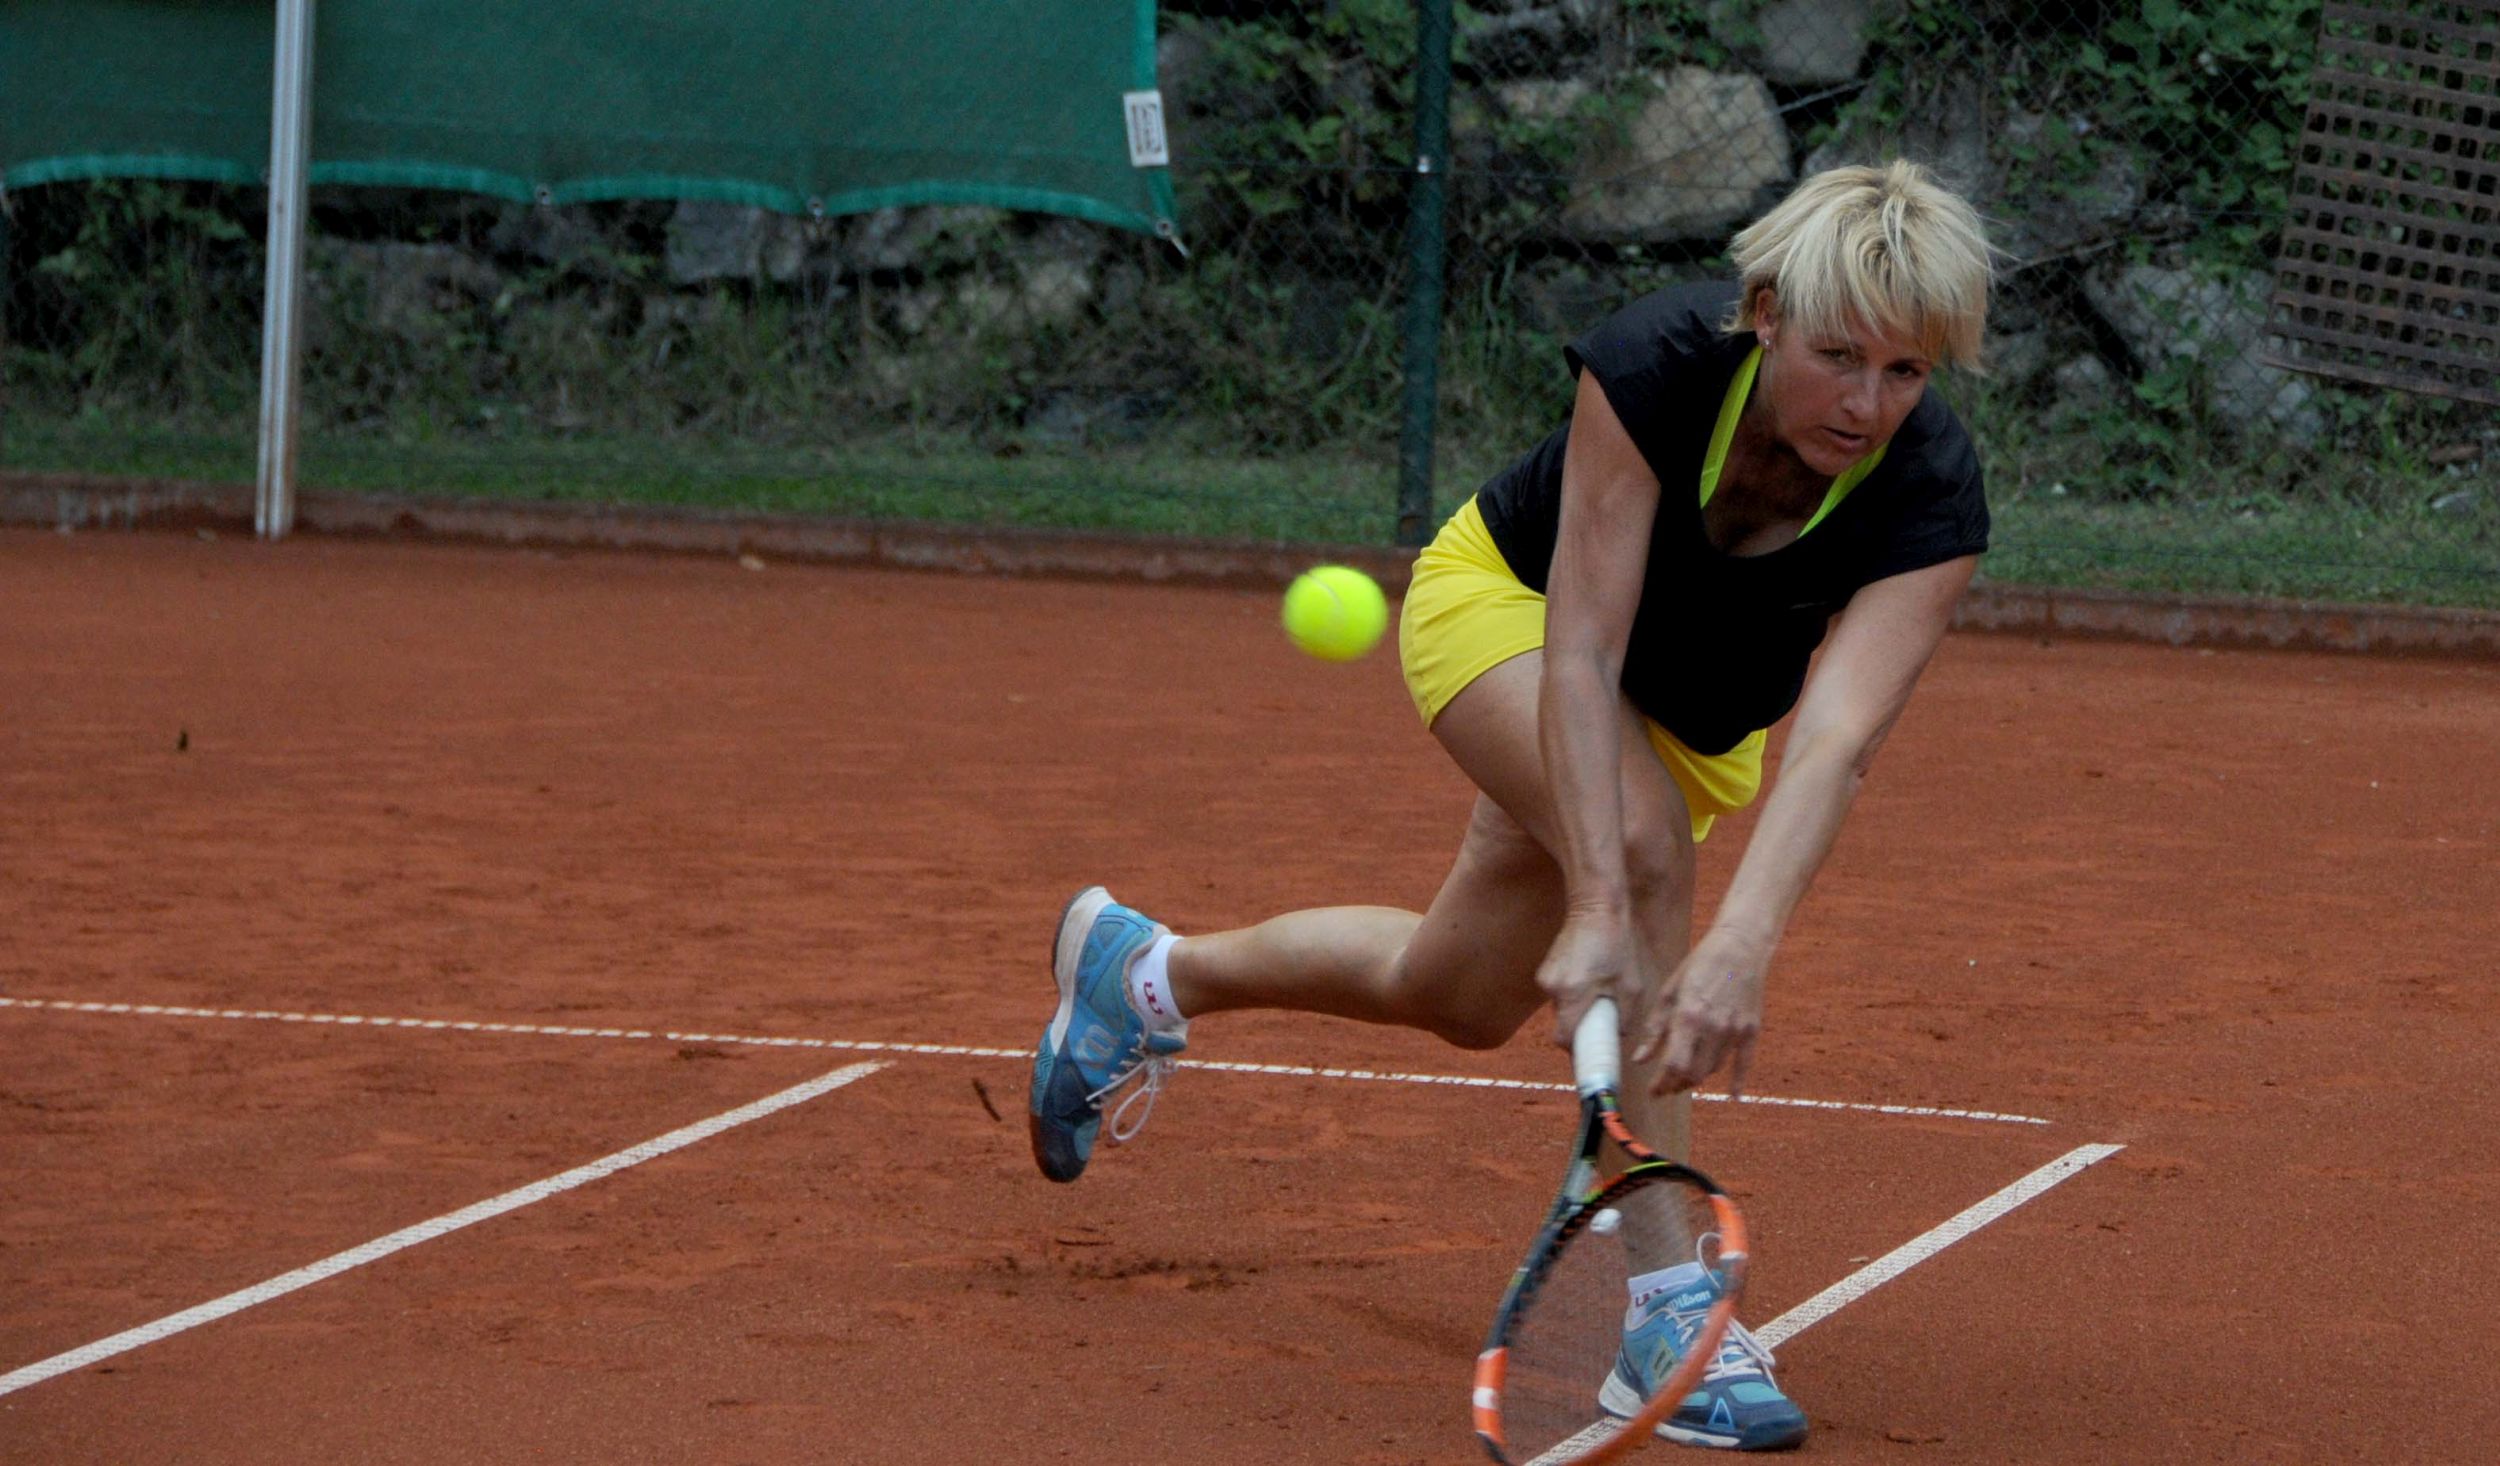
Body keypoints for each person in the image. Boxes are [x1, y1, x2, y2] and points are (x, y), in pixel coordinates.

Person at [1028, 160, 1995, 1453]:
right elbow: (1581, 652)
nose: (1868, 404)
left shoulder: (1931, 490)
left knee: (1460, 992)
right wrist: (1598, 898)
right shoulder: (1657, 365)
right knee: (1642, 853)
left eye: (1906, 371)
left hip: (1690, 729)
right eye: (1840, 358)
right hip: (1512, 618)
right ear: (1767, 314)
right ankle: (1669, 1308)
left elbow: (1834, 742)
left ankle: (1144, 975)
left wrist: (1743, 946)